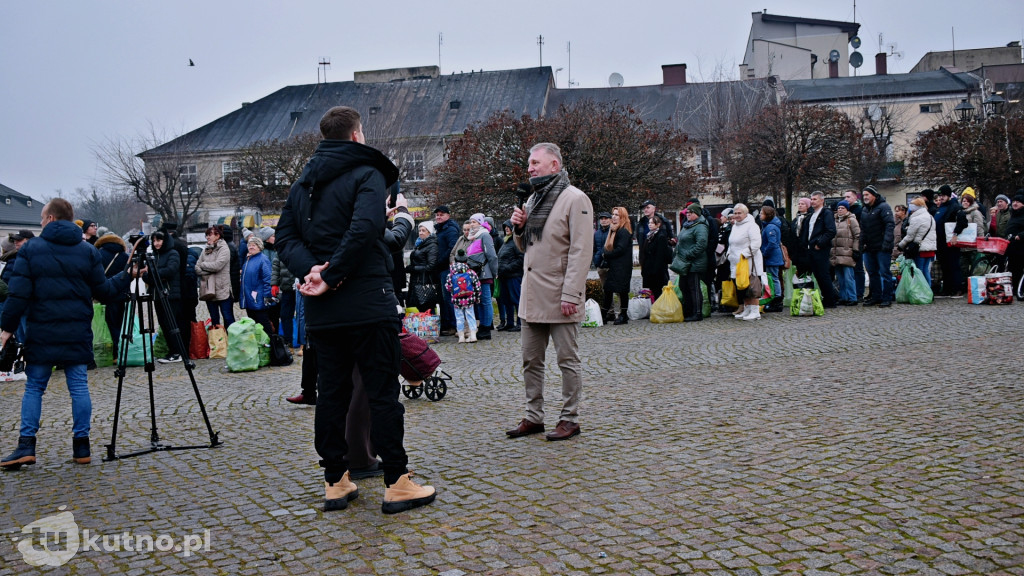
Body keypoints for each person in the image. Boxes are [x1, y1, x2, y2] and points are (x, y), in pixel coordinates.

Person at [275, 105, 435, 513]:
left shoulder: (301, 186)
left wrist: (312, 270)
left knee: (331, 395)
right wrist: (331, 273)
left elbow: (286, 239)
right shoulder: (368, 173)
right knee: (382, 394)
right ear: (356, 136)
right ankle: (397, 482)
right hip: (367, 302)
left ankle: (335, 480)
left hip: (324, 310)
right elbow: (365, 229)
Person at [1, 198, 136, 469]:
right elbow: (105, 292)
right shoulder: (86, 251)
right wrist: (127, 275)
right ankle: (81, 446)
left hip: (41, 330)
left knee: (35, 387)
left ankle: (26, 446)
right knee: (78, 387)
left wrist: (6, 329)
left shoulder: (31, 250)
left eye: (41, 219)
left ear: (50, 219)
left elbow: (18, 295)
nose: (39, 223)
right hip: (76, 330)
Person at [506, 142, 593, 442]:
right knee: (531, 360)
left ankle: (570, 419)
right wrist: (519, 228)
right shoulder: (532, 201)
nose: (529, 168)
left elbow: (582, 252)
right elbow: (524, 247)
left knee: (567, 360)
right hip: (532, 296)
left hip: (560, 296)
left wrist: (572, 294)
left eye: (535, 162)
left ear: (554, 165)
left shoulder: (575, 199)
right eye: (529, 163)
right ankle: (534, 416)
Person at [143, 230, 185, 363]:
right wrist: (152, 275)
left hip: (170, 294)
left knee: (171, 324)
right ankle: (171, 351)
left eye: (159, 240)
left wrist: (154, 274)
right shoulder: (153, 255)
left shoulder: (173, 253)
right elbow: (146, 275)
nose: (156, 243)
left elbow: (171, 270)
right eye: (154, 241)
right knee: (163, 324)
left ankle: (177, 351)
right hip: (156, 294)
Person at [797, 191, 839, 308]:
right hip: (811, 249)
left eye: (815, 199)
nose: (812, 201)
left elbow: (831, 231)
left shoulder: (826, 213)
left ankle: (830, 300)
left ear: (822, 200)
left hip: (820, 248)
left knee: (823, 274)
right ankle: (825, 297)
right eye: (811, 199)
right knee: (818, 275)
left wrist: (820, 243)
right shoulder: (811, 215)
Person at [859, 185, 896, 307]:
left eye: (867, 195)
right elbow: (863, 229)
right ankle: (876, 296)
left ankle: (887, 297)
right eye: (863, 195)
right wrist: (861, 244)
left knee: (885, 272)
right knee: (872, 273)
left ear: (874, 195)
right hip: (869, 247)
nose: (865, 197)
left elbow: (889, 225)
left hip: (882, 246)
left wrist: (887, 243)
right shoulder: (865, 210)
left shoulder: (883, 207)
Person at [94, 233, 130, 356]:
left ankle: (111, 351)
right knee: (119, 323)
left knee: (106, 324)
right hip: (121, 294)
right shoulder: (124, 256)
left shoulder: (98, 254)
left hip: (104, 293)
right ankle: (121, 350)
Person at [728, 203, 764, 321]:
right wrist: (729, 254)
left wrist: (745, 254)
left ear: (746, 213)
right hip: (736, 262)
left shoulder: (752, 226)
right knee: (742, 287)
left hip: (748, 261)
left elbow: (756, 243)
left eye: (740, 213)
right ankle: (747, 308)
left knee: (752, 286)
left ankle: (755, 310)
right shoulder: (735, 226)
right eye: (736, 213)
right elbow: (731, 242)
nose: (737, 215)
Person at [673, 205, 709, 321]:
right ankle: (688, 310)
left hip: (694, 263)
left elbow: (701, 245)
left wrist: (688, 254)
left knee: (694, 287)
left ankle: (697, 312)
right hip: (684, 263)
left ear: (696, 214)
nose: (687, 214)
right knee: (683, 286)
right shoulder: (687, 225)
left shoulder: (700, 227)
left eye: (690, 212)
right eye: (687, 212)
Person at [196, 225, 236, 328]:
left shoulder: (224, 249)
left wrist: (204, 265)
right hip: (209, 290)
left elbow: (218, 266)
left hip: (223, 290)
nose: (207, 237)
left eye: (209, 235)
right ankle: (218, 342)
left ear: (217, 235)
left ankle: (231, 341)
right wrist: (207, 270)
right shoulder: (206, 249)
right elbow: (196, 268)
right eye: (206, 235)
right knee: (214, 320)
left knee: (228, 318)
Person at [466, 213, 498, 340]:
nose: (471, 224)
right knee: (479, 302)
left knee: (485, 301)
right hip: (476, 275)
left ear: (480, 222)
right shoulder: (473, 238)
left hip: (484, 274)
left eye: (474, 222)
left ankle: (486, 327)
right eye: (470, 222)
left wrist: (495, 272)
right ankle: (482, 326)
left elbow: (492, 255)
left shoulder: (484, 235)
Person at [600, 206, 633, 325]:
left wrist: (607, 255)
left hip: (622, 266)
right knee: (608, 289)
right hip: (615, 265)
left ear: (622, 217)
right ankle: (604, 314)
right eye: (613, 214)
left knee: (622, 290)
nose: (613, 217)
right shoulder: (613, 230)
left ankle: (623, 314)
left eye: (616, 215)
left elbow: (621, 249)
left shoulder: (623, 231)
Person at [897, 197, 938, 289]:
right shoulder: (930, 217)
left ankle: (921, 291)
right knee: (926, 270)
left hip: (919, 248)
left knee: (919, 271)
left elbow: (910, 236)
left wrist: (901, 245)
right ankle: (928, 290)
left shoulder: (916, 218)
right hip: (930, 248)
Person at [240, 234, 274, 338]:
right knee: (254, 324)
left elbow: (268, 279)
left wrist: (267, 296)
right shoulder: (248, 260)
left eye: (254, 245)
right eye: (250, 245)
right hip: (249, 298)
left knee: (264, 324)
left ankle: (272, 346)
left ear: (259, 247)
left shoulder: (263, 259)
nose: (251, 247)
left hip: (259, 298)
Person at [433, 206, 460, 337]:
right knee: (443, 299)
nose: (438, 217)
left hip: (447, 267)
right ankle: (446, 323)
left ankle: (453, 325)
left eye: (441, 214)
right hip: (441, 268)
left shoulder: (450, 230)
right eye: (437, 215)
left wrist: (440, 261)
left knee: (449, 298)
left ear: (448, 215)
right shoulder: (439, 230)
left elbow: (452, 248)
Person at [445, 249, 482, 342]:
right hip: (469, 299)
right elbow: (477, 286)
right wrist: (477, 297)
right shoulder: (470, 272)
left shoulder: (451, 274)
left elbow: (448, 287)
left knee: (459, 317)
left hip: (457, 300)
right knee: (470, 316)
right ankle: (473, 335)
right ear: (466, 260)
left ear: (456, 260)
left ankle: (461, 336)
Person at [934, 185, 963, 297]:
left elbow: (962, 221)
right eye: (940, 195)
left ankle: (957, 288)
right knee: (944, 266)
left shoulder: (955, 206)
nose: (941, 197)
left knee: (953, 266)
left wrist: (956, 234)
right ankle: (947, 288)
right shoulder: (941, 207)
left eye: (943, 195)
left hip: (951, 242)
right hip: (940, 242)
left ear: (949, 195)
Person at [831, 201, 862, 306]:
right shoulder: (834, 220)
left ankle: (852, 297)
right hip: (836, 253)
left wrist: (856, 250)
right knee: (840, 278)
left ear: (847, 209)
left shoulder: (851, 220)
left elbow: (857, 236)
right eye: (839, 208)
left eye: (842, 208)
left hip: (847, 252)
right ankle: (843, 297)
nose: (840, 209)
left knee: (849, 277)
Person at [271, 233, 298, 349]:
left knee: (303, 315)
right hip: (287, 288)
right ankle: (288, 341)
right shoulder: (281, 248)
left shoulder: (300, 246)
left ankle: (305, 342)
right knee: (285, 315)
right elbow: (276, 266)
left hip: (301, 287)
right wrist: (274, 284)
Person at [496, 220, 524, 331]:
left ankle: (520, 323)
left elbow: (521, 259)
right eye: (505, 227)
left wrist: (507, 267)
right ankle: (510, 322)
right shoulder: (506, 242)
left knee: (516, 299)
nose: (507, 229)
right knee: (506, 300)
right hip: (504, 276)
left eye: (509, 227)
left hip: (514, 275)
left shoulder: (516, 242)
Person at [407, 221, 439, 313]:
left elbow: (431, 266)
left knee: (426, 305)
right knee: (417, 306)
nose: (420, 232)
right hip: (416, 280)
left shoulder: (432, 245)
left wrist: (413, 268)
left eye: (423, 230)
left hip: (425, 281)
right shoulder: (419, 244)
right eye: (419, 230)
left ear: (429, 232)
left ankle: (430, 326)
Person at [758, 205, 785, 312]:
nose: (760, 215)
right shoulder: (769, 226)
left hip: (772, 257)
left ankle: (777, 300)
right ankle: (775, 298)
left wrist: (764, 253)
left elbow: (772, 243)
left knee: (773, 277)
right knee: (773, 277)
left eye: (761, 213)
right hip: (772, 256)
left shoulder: (770, 227)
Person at [641, 213, 672, 299]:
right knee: (654, 291)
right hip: (649, 268)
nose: (650, 225)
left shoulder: (661, 236)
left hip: (657, 270)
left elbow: (660, 255)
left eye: (652, 223)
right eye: (649, 223)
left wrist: (655, 269)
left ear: (658, 224)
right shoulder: (649, 235)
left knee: (659, 291)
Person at [843, 190, 866, 301]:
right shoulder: (844, 210)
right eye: (845, 197)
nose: (846, 199)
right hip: (845, 243)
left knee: (858, 269)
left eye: (848, 197)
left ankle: (859, 293)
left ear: (854, 198)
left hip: (857, 242)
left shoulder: (859, 210)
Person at [1003, 194, 1024, 297]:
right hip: (1011, 246)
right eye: (1014, 201)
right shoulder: (1013, 214)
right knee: (1012, 268)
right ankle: (1014, 288)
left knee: (1018, 269)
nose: (1015, 203)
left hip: (1021, 246)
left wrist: (1020, 235)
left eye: (1018, 202)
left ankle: (1019, 289)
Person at [592, 211, 612, 282]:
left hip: (611, 264)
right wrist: (595, 260)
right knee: (604, 287)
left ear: (610, 220)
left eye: (606, 218)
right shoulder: (596, 233)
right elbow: (594, 248)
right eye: (602, 219)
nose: (603, 220)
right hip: (600, 265)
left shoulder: (613, 232)